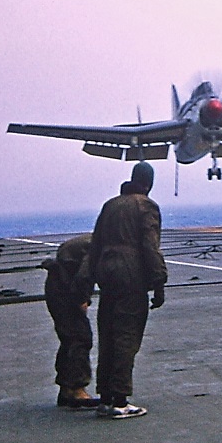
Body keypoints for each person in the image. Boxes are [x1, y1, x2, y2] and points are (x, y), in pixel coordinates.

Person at [85, 161, 168, 419]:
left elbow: (95, 244)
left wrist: (87, 281)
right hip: (131, 275)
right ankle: (120, 400)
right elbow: (149, 246)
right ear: (149, 183)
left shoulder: (110, 205)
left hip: (106, 273)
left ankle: (105, 397)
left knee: (107, 334)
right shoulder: (146, 206)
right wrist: (159, 281)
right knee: (126, 336)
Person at [42, 233, 99, 408]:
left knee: (68, 338)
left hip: (58, 284)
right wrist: (82, 298)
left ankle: (66, 388)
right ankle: (77, 389)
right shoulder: (99, 246)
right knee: (80, 338)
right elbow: (84, 274)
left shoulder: (91, 240)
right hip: (65, 287)